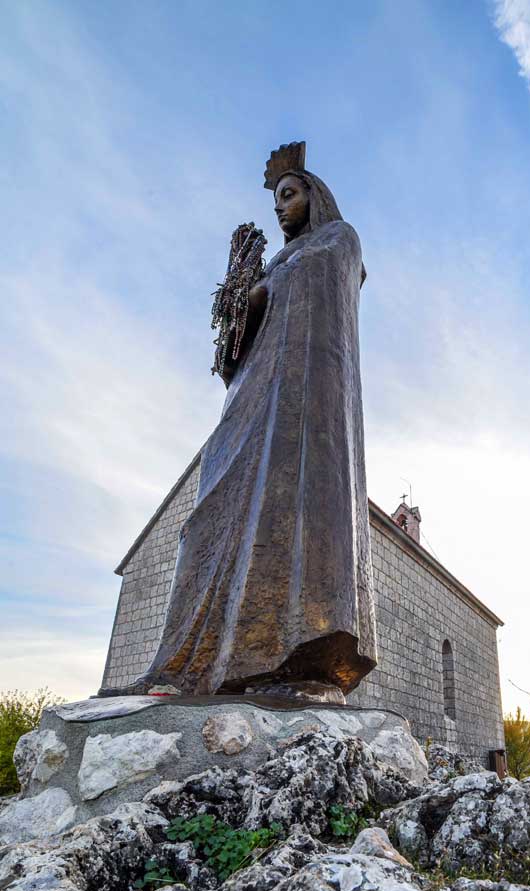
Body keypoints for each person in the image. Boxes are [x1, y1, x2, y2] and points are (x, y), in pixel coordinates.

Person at [102, 143, 377, 702]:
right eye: (277, 199)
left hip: (302, 405)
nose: (281, 208)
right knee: (206, 520)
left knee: (293, 515)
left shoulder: (337, 239)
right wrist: (239, 292)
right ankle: (189, 664)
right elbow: (233, 355)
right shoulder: (279, 262)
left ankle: (296, 664)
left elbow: (328, 286)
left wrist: (267, 289)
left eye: (289, 194)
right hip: (252, 400)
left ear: (314, 196)